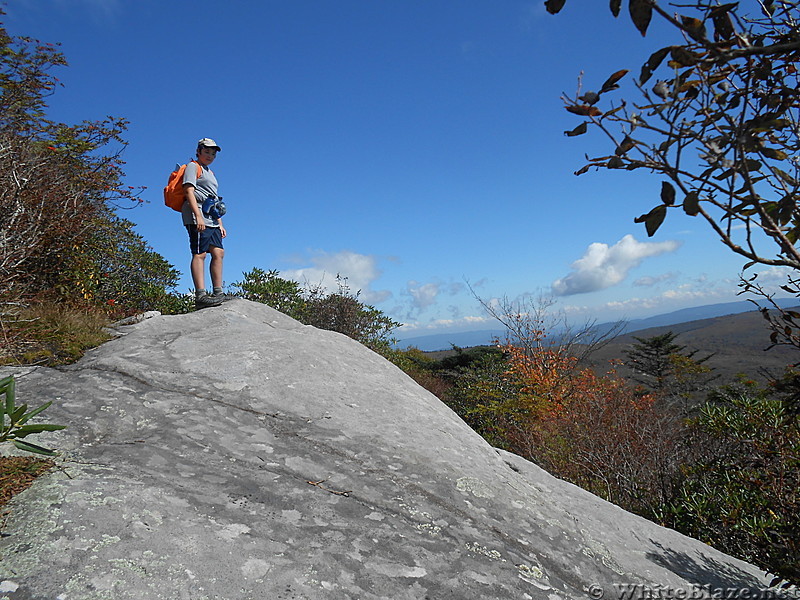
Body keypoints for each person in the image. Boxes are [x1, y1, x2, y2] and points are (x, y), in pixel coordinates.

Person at [182, 137, 230, 308]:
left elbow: (214, 199)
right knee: (199, 253)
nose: (210, 155)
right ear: (199, 151)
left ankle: (219, 292)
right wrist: (198, 216)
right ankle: (200, 295)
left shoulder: (210, 172)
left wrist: (220, 223)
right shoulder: (193, 167)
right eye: (207, 151)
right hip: (197, 216)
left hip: (212, 218)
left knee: (218, 253)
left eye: (213, 153)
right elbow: (188, 191)